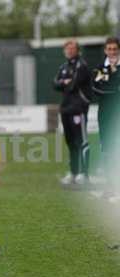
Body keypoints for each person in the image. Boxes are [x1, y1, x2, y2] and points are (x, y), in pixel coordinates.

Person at [53, 39, 92, 185]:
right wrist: (63, 82)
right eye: (66, 49)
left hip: (79, 108)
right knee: (70, 142)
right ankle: (74, 173)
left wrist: (64, 83)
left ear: (77, 50)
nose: (69, 51)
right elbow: (55, 84)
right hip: (66, 108)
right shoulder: (63, 66)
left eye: (72, 49)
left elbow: (73, 85)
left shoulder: (82, 65)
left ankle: (84, 173)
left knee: (81, 141)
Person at [92, 37, 120, 198]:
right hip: (106, 114)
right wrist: (115, 87)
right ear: (105, 51)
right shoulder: (100, 69)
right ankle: (110, 185)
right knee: (108, 149)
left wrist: (113, 78)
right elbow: (97, 90)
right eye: (109, 49)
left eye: (114, 49)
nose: (112, 51)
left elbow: (106, 87)